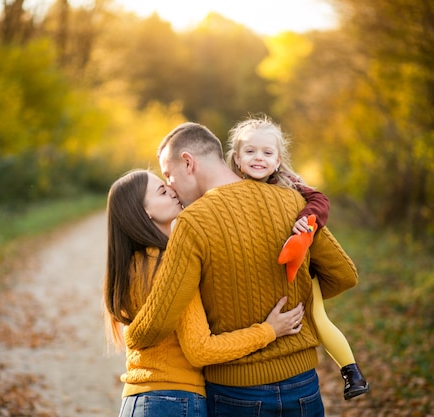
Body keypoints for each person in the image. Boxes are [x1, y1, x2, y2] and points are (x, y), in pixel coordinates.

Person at [124, 122, 359, 417]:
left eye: (169, 176)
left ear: (188, 162)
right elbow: (344, 275)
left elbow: (159, 321)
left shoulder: (192, 221)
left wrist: (131, 336)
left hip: (236, 392)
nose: (170, 187)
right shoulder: (291, 201)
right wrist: (295, 287)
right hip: (303, 385)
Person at [104, 169, 307, 417]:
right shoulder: (168, 265)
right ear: (145, 212)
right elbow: (201, 349)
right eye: (161, 190)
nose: (171, 190)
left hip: (139, 399)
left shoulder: (134, 263)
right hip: (173, 400)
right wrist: (269, 330)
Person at [225, 114, 369, 400]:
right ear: (237, 158)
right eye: (250, 152)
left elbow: (320, 201)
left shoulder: (289, 184)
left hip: (301, 268)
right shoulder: (228, 191)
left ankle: (351, 371)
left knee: (318, 317)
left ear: (278, 160)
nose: (258, 158)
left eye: (267, 153)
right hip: (265, 269)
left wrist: (306, 219)